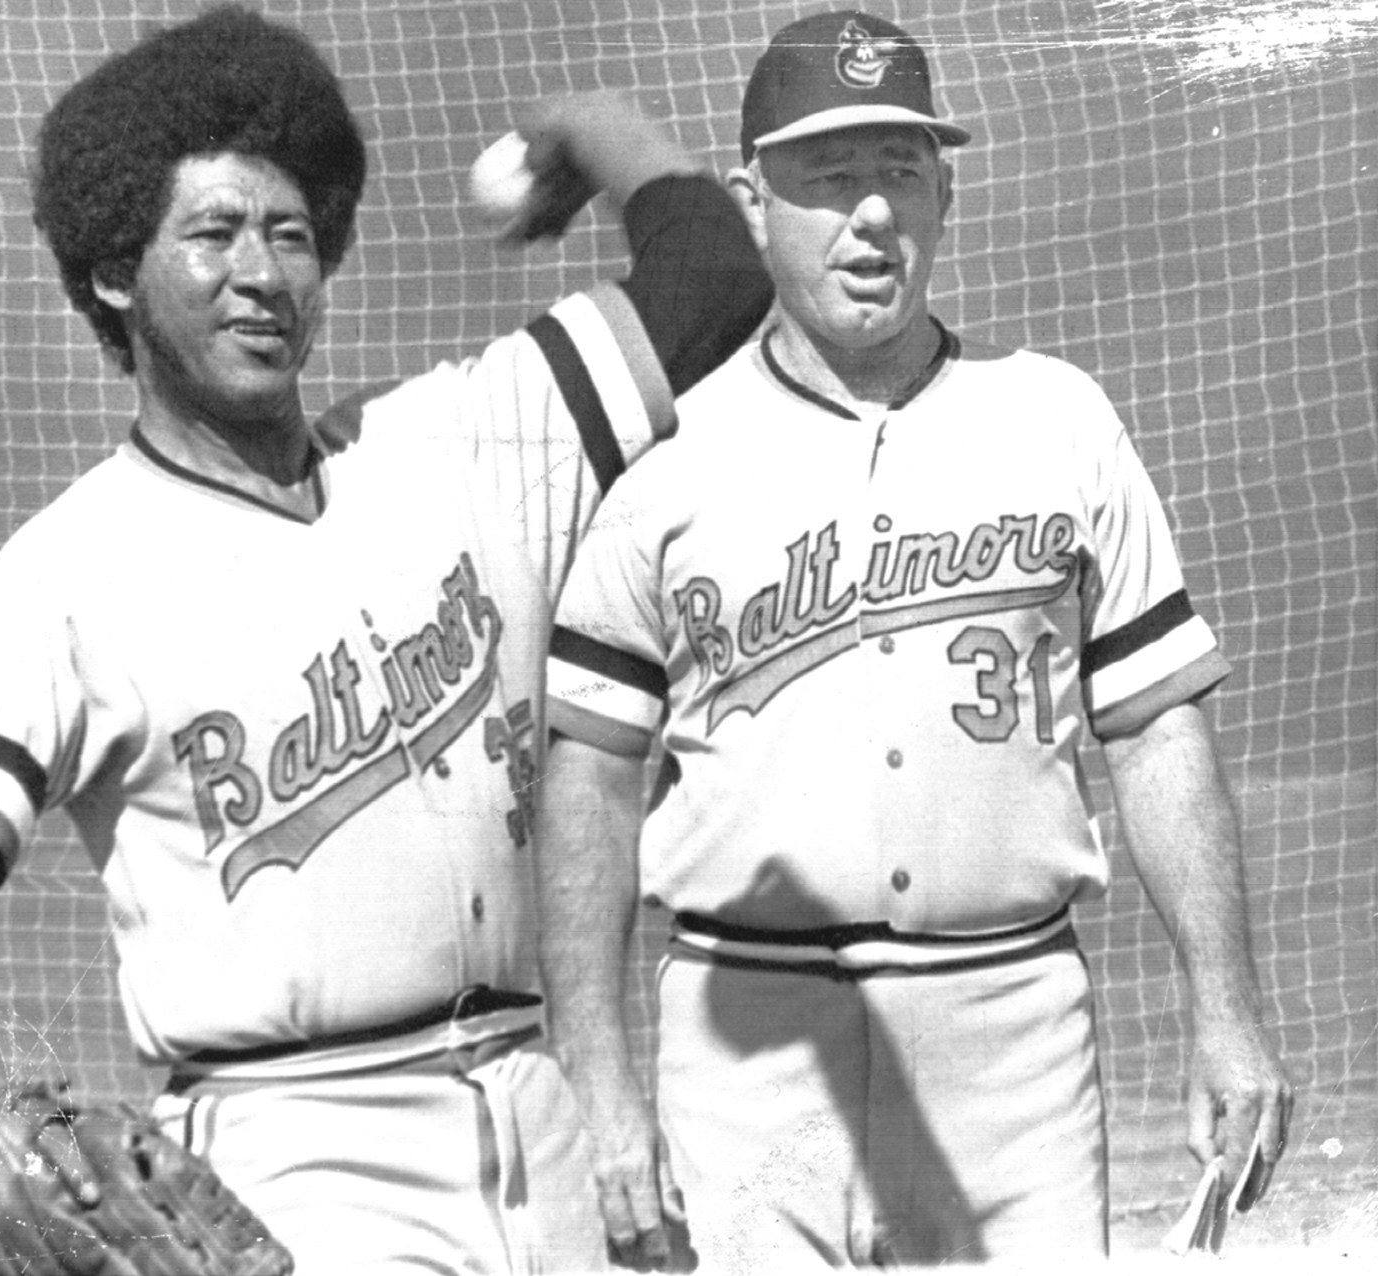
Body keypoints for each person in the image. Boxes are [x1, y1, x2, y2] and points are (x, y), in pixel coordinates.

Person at [0, 6, 772, 1272]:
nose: (264, 273)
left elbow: (716, 280)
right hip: (292, 1151)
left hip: (537, 1110)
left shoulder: (463, 438)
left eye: (292, 234)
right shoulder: (64, 575)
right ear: (117, 273)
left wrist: (582, 126)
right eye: (215, 233)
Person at [534, 9, 1294, 1270]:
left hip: (1010, 1038)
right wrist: (599, 1083)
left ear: (944, 191)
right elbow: (592, 782)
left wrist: (1228, 1013)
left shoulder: (1055, 418)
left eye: (900, 171)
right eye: (829, 179)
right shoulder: (668, 463)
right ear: (749, 198)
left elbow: (1156, 727)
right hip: (747, 1052)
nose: (871, 215)